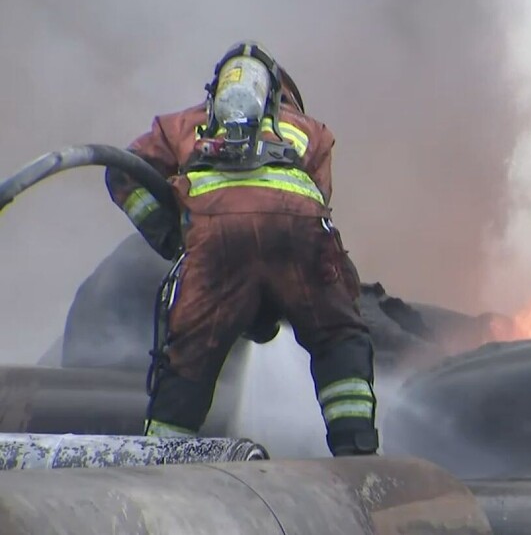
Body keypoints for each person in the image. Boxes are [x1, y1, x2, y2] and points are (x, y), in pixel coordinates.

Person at [104, 40, 379, 457]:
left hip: (214, 243)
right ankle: (357, 456)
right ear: (279, 95)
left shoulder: (182, 125)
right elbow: (318, 203)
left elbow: (122, 172)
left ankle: (156, 466)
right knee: (339, 337)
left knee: (188, 363)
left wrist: (171, 237)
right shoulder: (309, 129)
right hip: (298, 230)